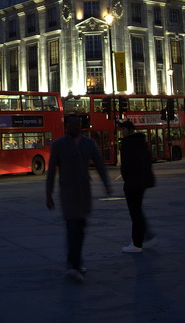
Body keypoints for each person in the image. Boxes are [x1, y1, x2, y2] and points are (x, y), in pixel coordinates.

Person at [45, 115, 112, 283]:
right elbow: (52, 170)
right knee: (72, 228)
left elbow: (99, 164)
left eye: (78, 124)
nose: (75, 126)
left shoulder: (89, 144)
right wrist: (48, 194)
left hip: (84, 193)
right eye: (72, 124)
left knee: (80, 229)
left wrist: (106, 183)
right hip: (67, 192)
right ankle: (73, 265)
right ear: (67, 126)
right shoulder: (59, 145)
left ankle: (76, 262)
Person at [118, 121, 157, 253]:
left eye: (123, 129)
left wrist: (127, 178)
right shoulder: (141, 142)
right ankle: (143, 238)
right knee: (138, 211)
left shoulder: (128, 143)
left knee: (135, 213)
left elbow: (126, 165)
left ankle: (137, 243)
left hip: (133, 182)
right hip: (142, 181)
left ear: (129, 130)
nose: (122, 132)